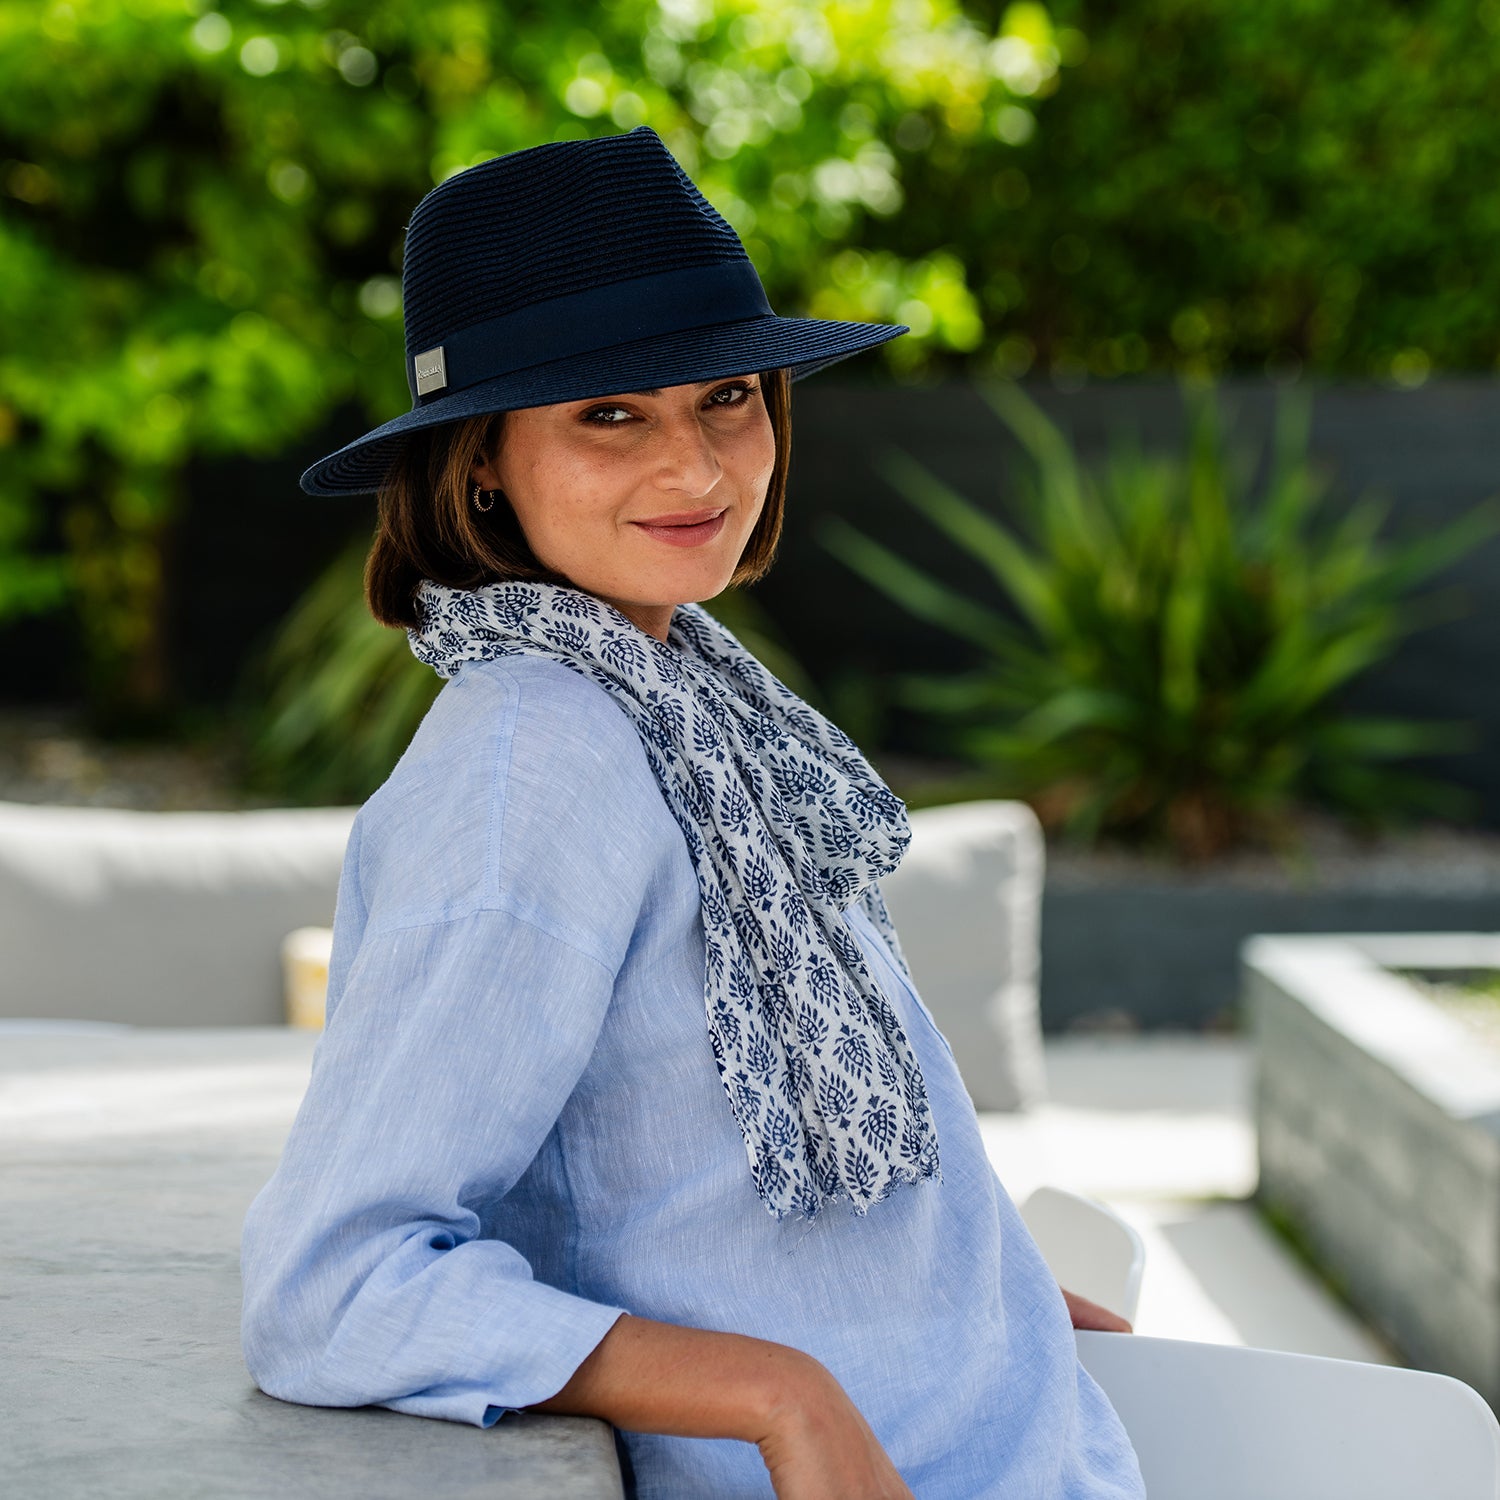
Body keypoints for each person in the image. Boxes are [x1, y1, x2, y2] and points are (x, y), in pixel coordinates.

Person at [240, 125, 1145, 1500]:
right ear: (481, 461)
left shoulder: (694, 696)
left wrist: (982, 1290)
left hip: (1018, 1444)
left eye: (727, 396)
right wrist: (778, 1393)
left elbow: (705, 1169)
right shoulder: (531, 765)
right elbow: (337, 1284)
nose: (700, 470)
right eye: (609, 414)